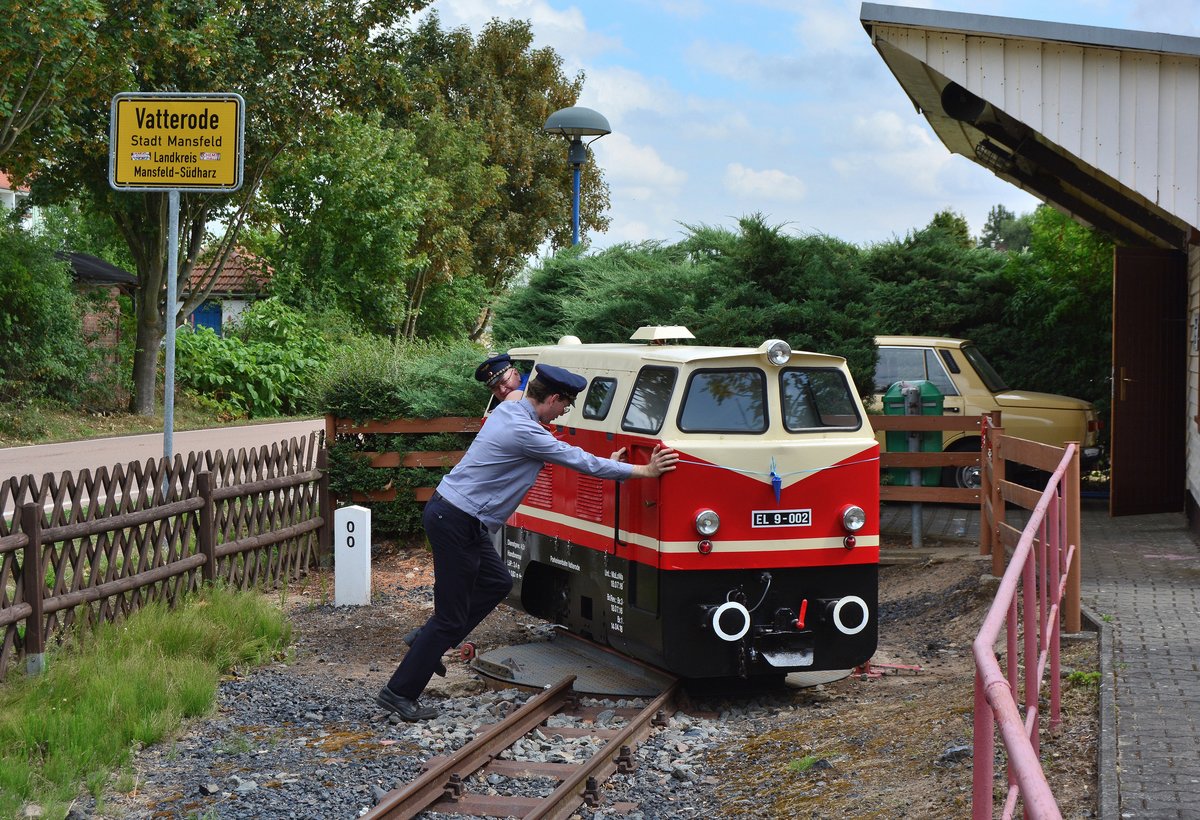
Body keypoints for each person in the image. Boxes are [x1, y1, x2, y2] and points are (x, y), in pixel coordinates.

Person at [376, 364, 679, 721]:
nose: (564, 411)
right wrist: (645, 471)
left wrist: (607, 462)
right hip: (456, 520)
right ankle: (399, 692)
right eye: (565, 404)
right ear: (552, 398)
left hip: (461, 517)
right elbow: (576, 460)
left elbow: (564, 452)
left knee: (497, 582)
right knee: (449, 616)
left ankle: (426, 640)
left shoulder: (511, 411)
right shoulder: (524, 430)